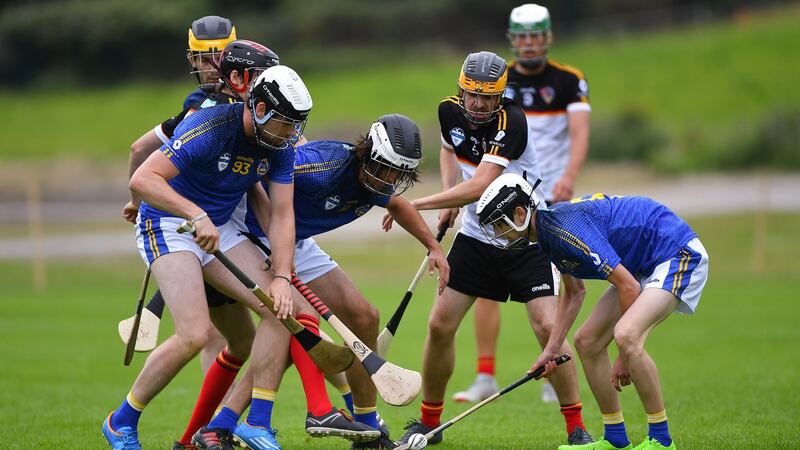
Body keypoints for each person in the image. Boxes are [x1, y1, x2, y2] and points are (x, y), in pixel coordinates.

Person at [195, 114, 450, 450]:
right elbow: (261, 172)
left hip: (297, 241)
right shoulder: (320, 167)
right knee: (294, 324)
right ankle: (230, 425)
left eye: (398, 174)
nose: (389, 179)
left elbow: (398, 204)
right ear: (367, 153)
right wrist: (273, 250)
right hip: (252, 233)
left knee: (364, 317)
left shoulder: (377, 181)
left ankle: (368, 429)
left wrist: (433, 247)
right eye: (385, 168)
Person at [101, 66, 313, 450]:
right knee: (194, 335)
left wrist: (282, 274)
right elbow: (143, 180)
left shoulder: (278, 148)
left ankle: (254, 423)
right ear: (261, 108)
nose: (292, 135)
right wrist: (193, 214)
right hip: (167, 224)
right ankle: (121, 421)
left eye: (297, 125)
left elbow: (282, 214)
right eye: (286, 124)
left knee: (283, 310)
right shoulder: (212, 127)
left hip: (218, 229)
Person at [388, 51, 592, 447]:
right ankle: (429, 423)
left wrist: (416, 204)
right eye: (471, 94)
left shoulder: (511, 121)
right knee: (438, 325)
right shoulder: (449, 112)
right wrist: (450, 203)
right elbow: (450, 150)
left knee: (547, 327)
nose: (478, 104)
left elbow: (482, 183)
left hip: (526, 234)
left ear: (500, 96)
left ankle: (576, 428)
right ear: (460, 91)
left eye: (487, 96)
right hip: (478, 238)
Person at [476, 174, 709, 450]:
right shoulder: (548, 235)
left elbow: (628, 286)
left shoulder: (561, 230)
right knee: (586, 342)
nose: (499, 234)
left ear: (520, 213)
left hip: (676, 252)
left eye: (500, 224)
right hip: (641, 266)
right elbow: (575, 293)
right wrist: (551, 349)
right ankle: (615, 438)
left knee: (626, 335)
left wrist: (624, 355)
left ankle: (661, 439)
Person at [455, 2, 591, 406]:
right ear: (513, 40)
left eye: (536, 36)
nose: (530, 44)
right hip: (497, 191)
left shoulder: (569, 80)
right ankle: (484, 375)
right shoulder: (495, 81)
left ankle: (553, 376)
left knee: (548, 298)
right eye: (522, 37)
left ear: (548, 37)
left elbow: (579, 134)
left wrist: (567, 178)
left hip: (546, 199)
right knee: (482, 288)